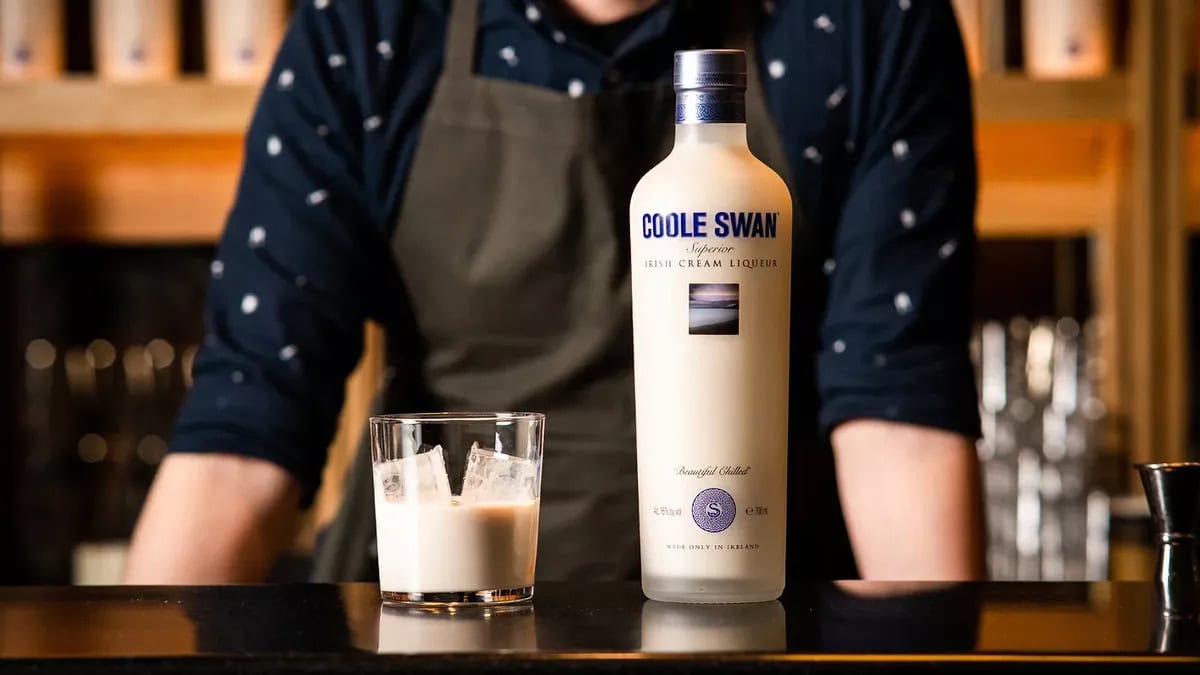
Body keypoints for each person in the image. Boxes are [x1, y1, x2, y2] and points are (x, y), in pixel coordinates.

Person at [125, 0, 985, 584]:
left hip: (764, 612)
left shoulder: (868, 22)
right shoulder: (368, 25)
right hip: (436, 613)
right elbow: (240, 447)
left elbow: (897, 427)